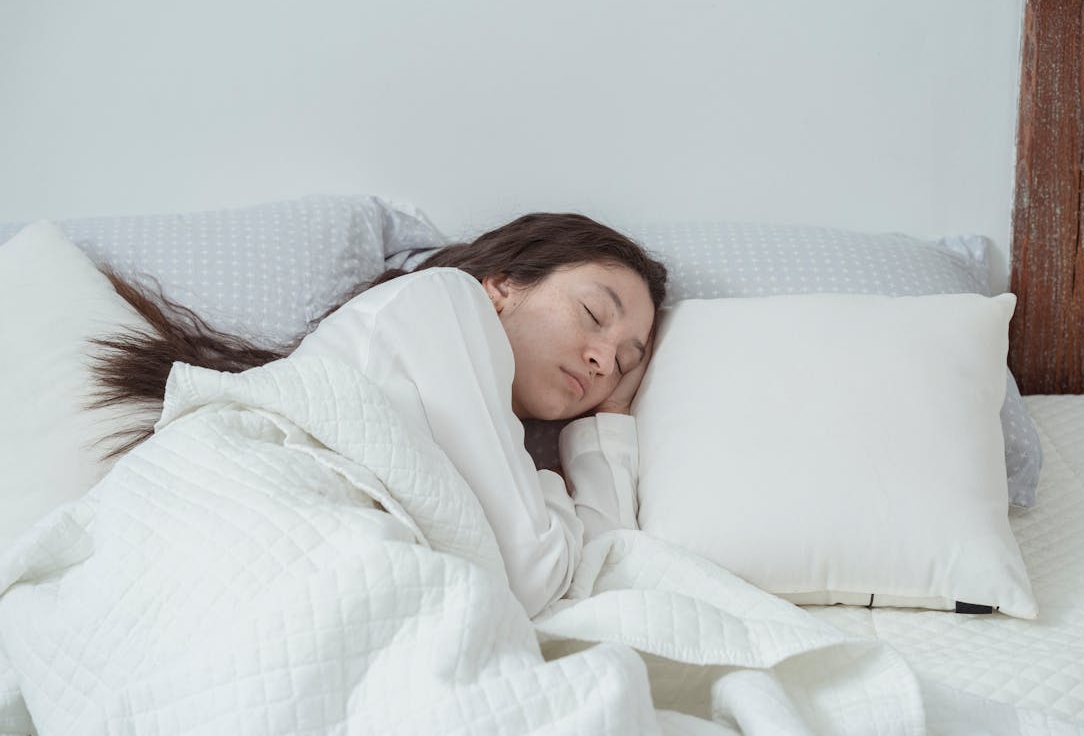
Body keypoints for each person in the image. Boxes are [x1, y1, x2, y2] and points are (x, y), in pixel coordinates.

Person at [90, 212, 667, 617]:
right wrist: (549, 489)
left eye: (624, 363)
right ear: (502, 287)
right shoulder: (443, 300)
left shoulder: (497, 437)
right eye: (593, 313)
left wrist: (609, 419)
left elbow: (606, 578)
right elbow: (534, 575)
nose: (601, 361)